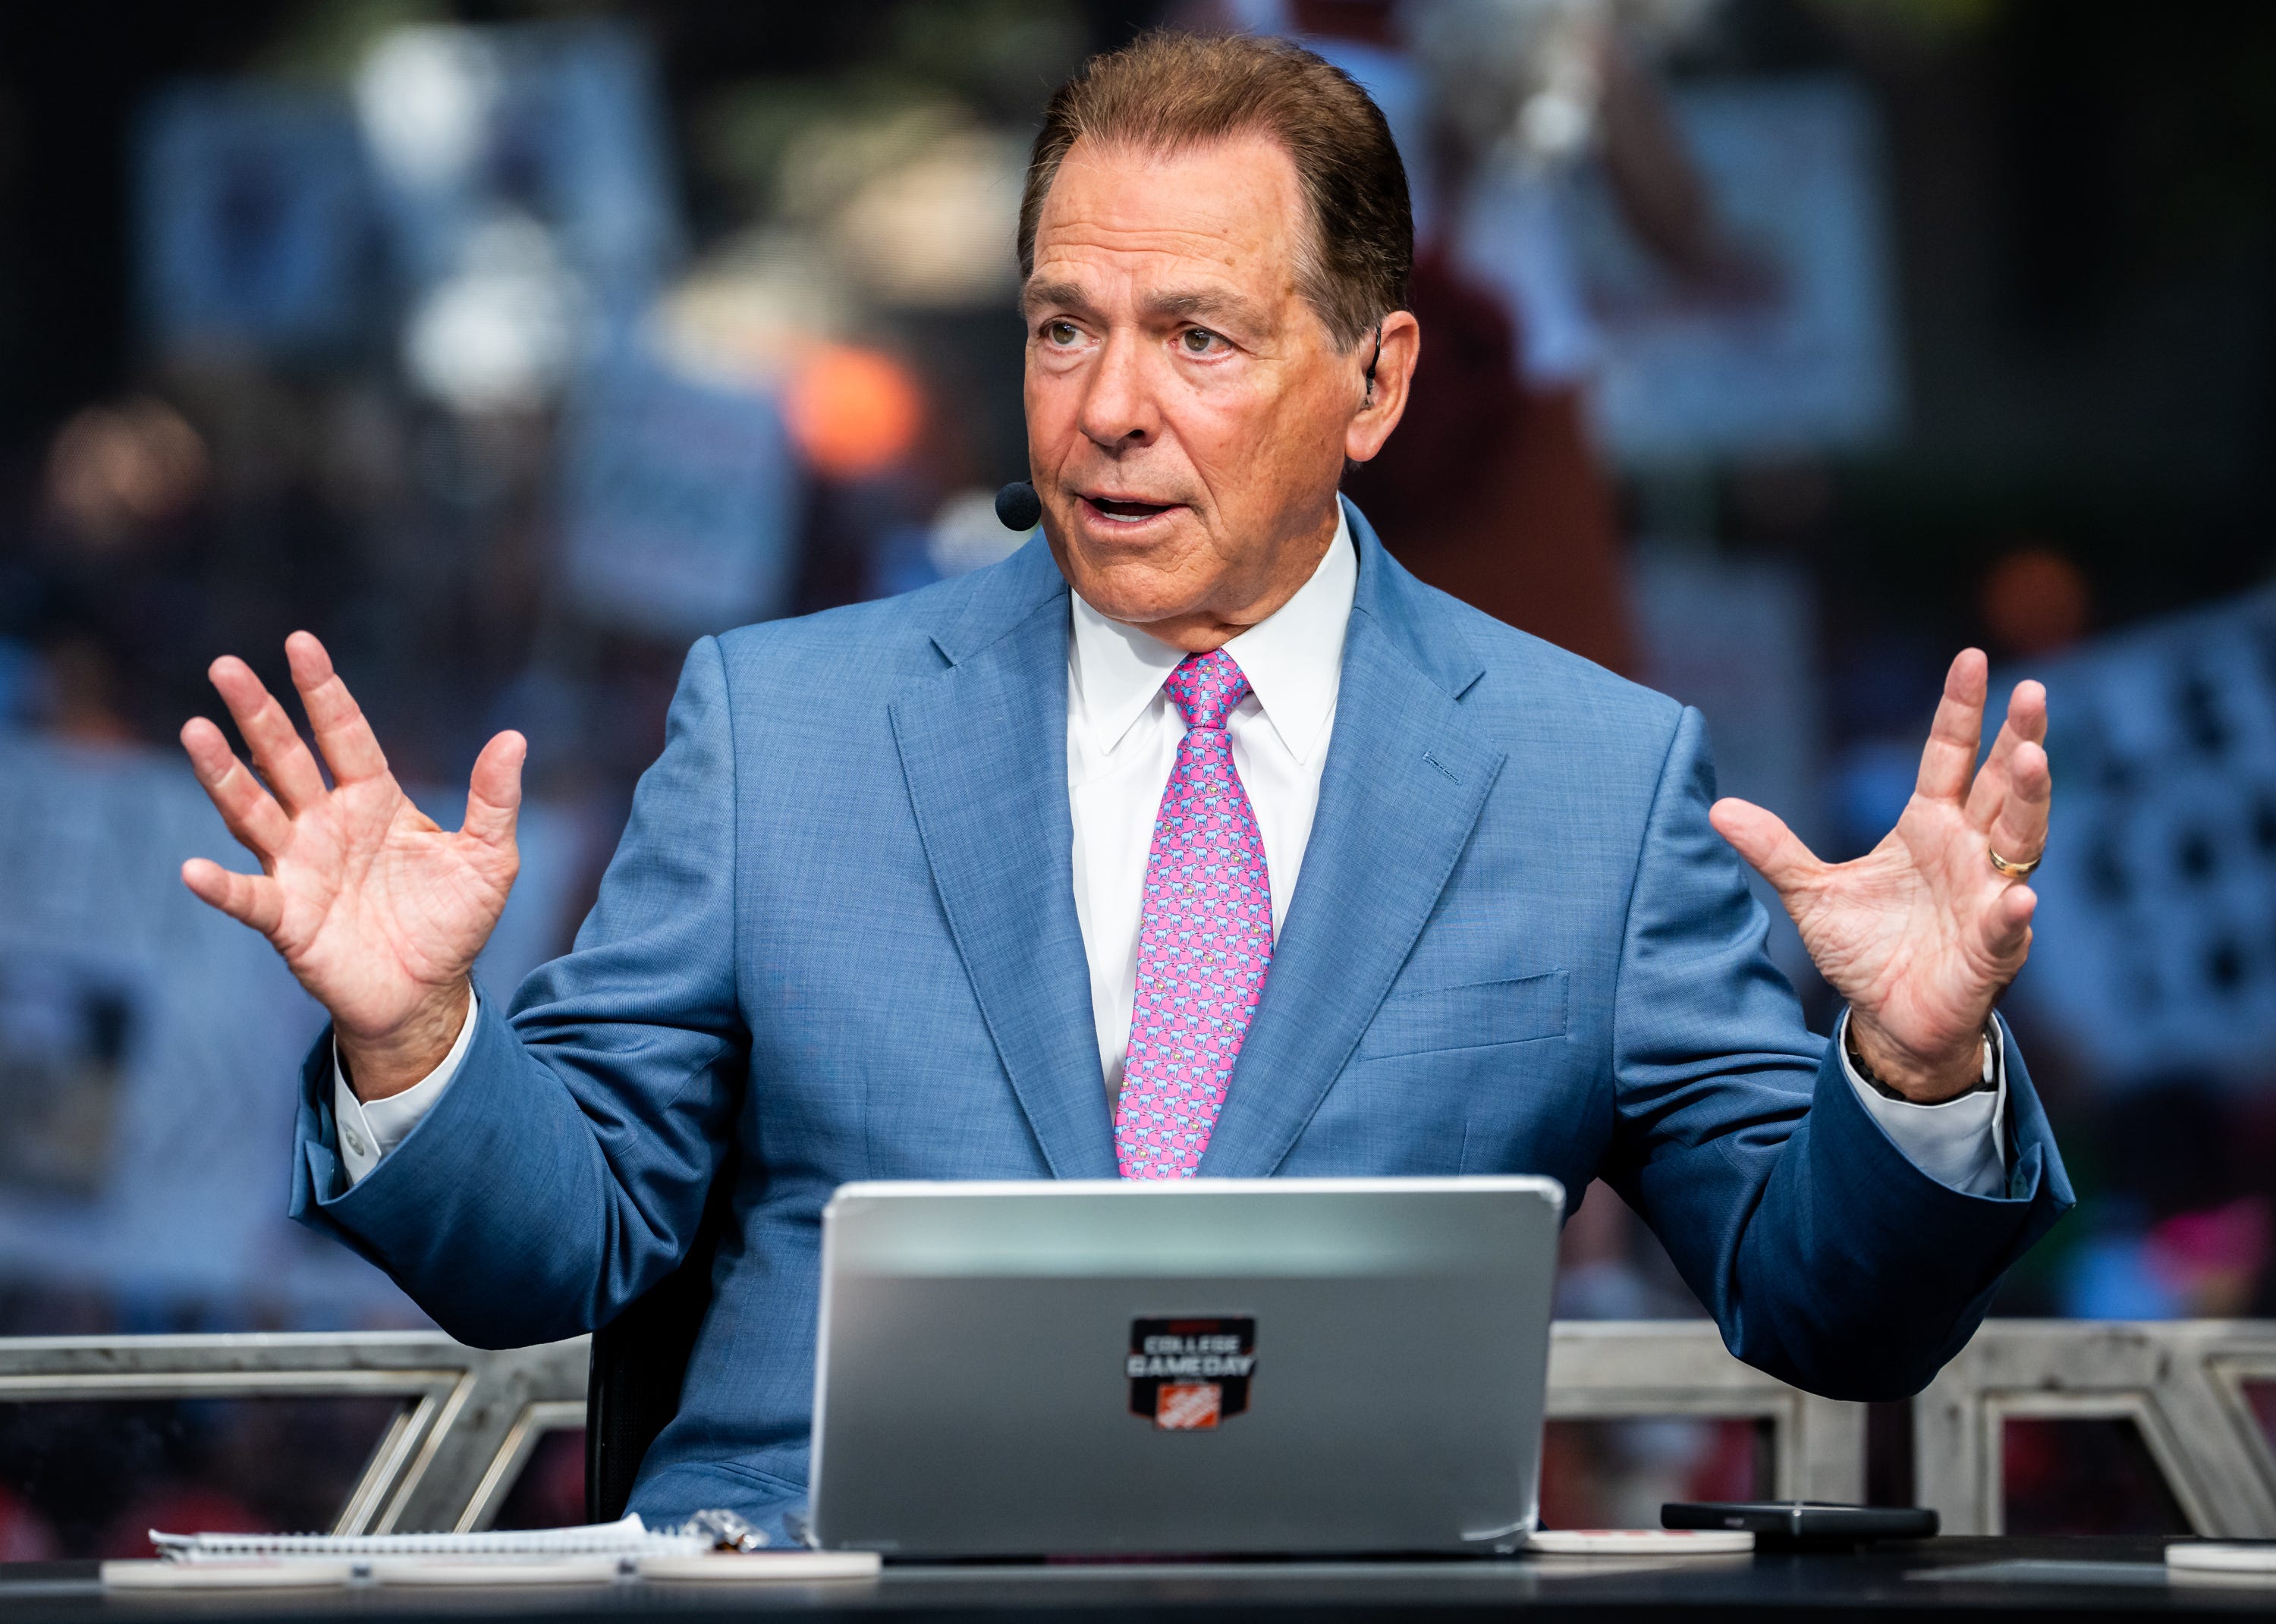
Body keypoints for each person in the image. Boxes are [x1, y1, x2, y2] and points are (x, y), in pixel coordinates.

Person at [177, 31, 2067, 1529]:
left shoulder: (1594, 774)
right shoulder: (782, 731)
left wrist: (1907, 1076)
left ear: (1377, 381)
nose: (1107, 408)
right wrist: (421, 1045)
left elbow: (1827, 1307)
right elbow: (555, 1246)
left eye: (1199, 338)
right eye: (1064, 326)